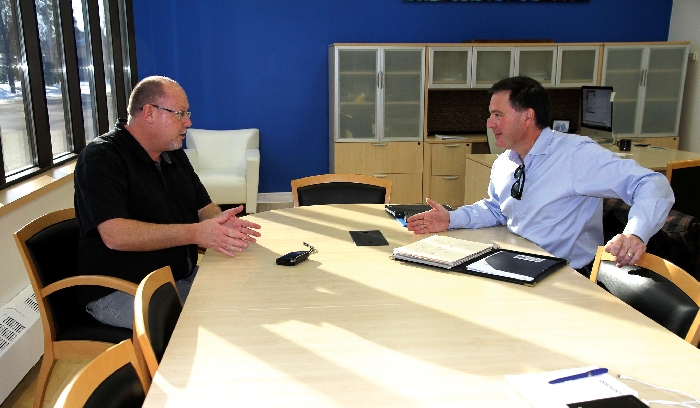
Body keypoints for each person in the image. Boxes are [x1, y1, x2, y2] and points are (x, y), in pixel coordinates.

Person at [407, 76, 674, 277]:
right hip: (518, 261)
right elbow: (498, 209)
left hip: (567, 276)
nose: (489, 123)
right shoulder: (505, 163)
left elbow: (652, 183)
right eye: (490, 115)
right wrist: (451, 218)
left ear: (528, 116)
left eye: (498, 115)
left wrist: (635, 234)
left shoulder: (575, 156)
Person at [74, 75, 262, 328]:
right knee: (218, 323)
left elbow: (204, 208)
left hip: (176, 278)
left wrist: (220, 224)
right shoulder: (100, 158)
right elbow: (116, 235)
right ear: (149, 113)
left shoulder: (173, 155)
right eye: (180, 113)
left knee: (248, 297)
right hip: (121, 290)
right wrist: (197, 233)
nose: (188, 122)